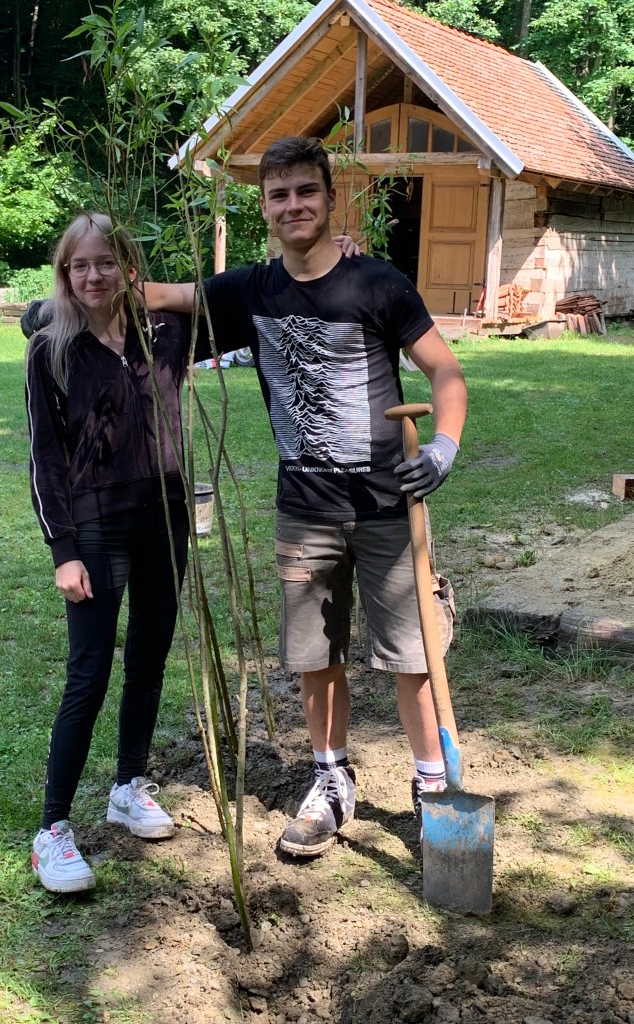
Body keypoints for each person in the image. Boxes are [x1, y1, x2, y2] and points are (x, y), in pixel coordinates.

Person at [145, 135, 467, 858]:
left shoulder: (378, 283)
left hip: (388, 506)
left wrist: (444, 445)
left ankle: (432, 786)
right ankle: (331, 779)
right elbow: (160, 296)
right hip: (304, 512)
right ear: (264, 207)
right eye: (279, 195)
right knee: (314, 656)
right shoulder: (250, 290)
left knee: (413, 656)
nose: (293, 205)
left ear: (329, 197)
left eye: (306, 191)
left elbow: (445, 372)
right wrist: (65, 297)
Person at [24, 212, 212, 893]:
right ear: (65, 273)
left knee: (148, 659)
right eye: (79, 265)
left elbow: (233, 300)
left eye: (106, 262)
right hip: (96, 525)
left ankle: (129, 786)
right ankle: (52, 829)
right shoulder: (52, 349)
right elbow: (46, 457)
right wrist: (63, 550)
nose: (93, 275)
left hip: (164, 517)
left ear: (130, 267)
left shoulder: (164, 333)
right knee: (90, 673)